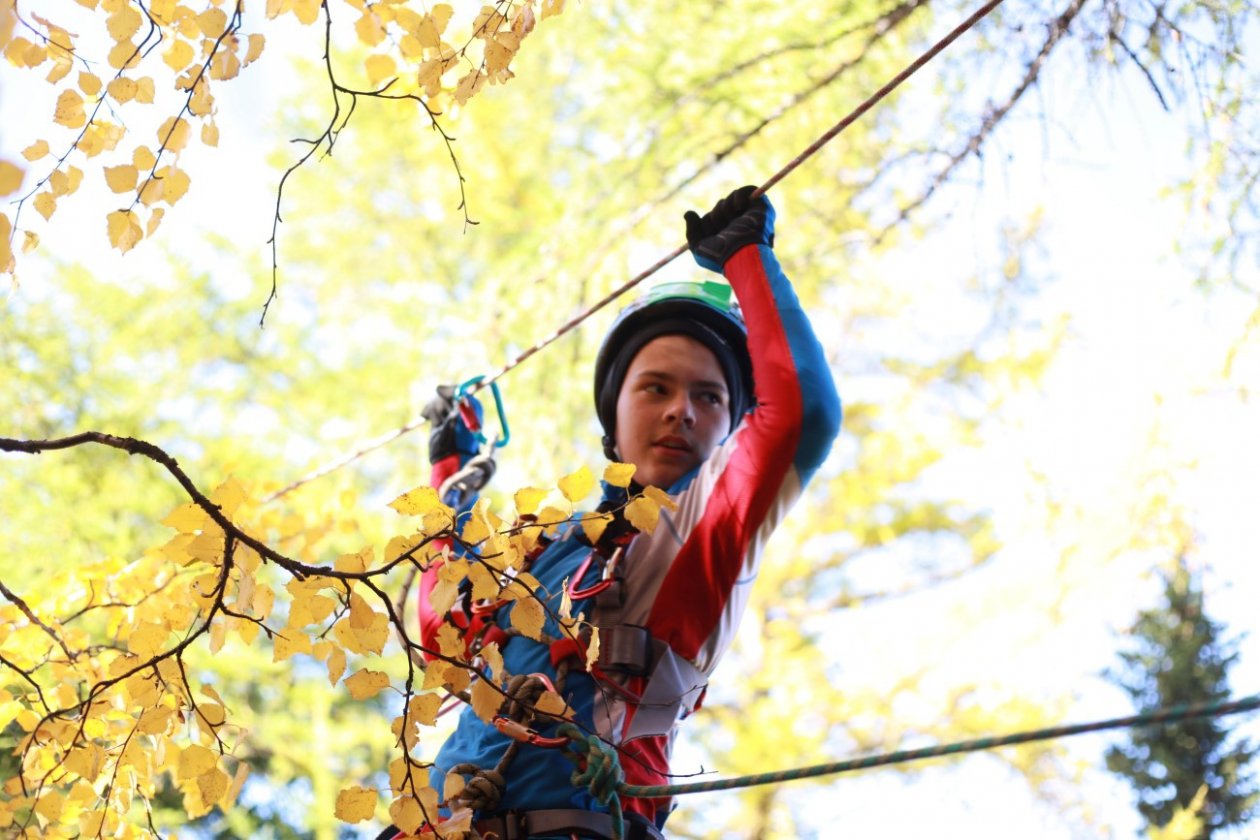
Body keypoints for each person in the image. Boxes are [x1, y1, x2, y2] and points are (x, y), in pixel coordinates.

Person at [394, 186, 841, 839]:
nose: (680, 410)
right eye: (655, 387)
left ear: (730, 428)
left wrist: (747, 256)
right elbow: (444, 627)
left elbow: (803, 418)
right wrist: (450, 471)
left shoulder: (700, 535)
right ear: (615, 417)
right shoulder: (548, 544)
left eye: (709, 397)